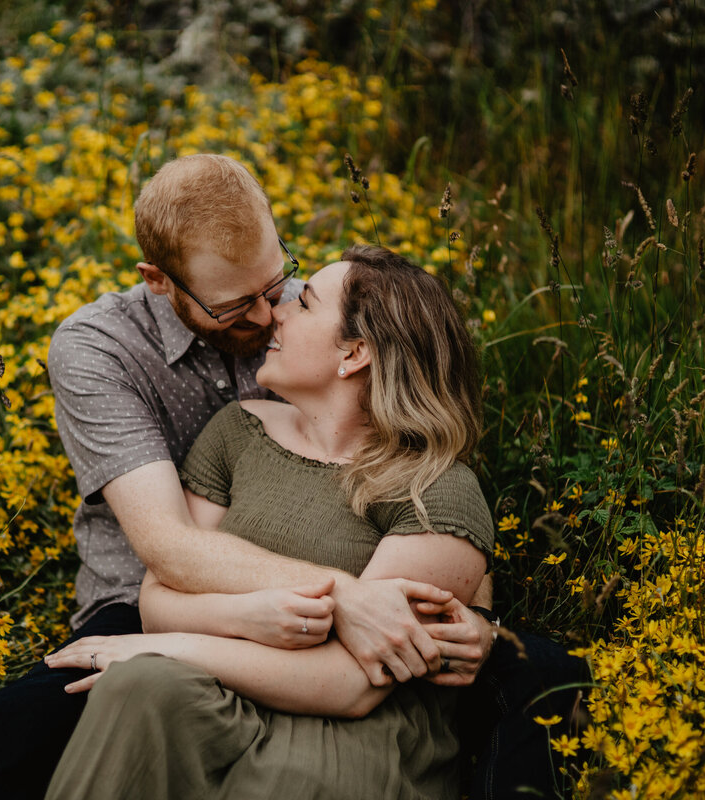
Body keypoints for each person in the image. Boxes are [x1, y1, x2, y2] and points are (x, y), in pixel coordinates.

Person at [0, 155, 498, 800]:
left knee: (535, 686)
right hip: (146, 606)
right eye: (235, 306)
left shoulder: (314, 316)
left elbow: (433, 507)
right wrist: (338, 598)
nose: (267, 315)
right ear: (161, 281)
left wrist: (481, 620)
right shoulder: (103, 349)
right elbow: (168, 550)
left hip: (318, 650)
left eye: (280, 285)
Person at [42, 245, 492, 799]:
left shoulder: (438, 489)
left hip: (345, 732)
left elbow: (351, 684)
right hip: (217, 698)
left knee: (266, 761)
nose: (275, 310)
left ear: (353, 353)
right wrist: (241, 613)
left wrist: (163, 648)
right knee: (136, 689)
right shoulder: (239, 431)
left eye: (303, 303)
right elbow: (158, 597)